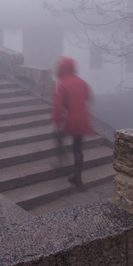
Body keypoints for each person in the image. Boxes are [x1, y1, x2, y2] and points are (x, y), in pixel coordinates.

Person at [51, 56, 93, 188]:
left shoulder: (63, 84)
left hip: (71, 119)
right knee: (78, 148)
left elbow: (58, 107)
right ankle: (78, 177)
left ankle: (61, 156)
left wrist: (56, 123)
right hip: (83, 119)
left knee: (57, 134)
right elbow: (88, 97)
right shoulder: (82, 82)